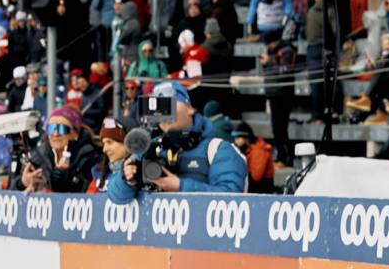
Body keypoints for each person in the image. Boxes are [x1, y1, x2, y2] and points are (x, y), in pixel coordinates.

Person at [107, 80, 248, 200]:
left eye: (168, 105)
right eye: (156, 108)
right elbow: (114, 196)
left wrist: (180, 186)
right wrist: (126, 179)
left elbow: (232, 199)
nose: (162, 114)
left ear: (190, 108)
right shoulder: (151, 147)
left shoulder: (218, 149)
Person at [22, 105, 107, 191]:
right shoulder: (38, 156)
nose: (55, 134)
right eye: (51, 128)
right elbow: (12, 190)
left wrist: (61, 174)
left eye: (62, 129)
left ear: (75, 134)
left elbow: (83, 195)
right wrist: (22, 183)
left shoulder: (89, 159)